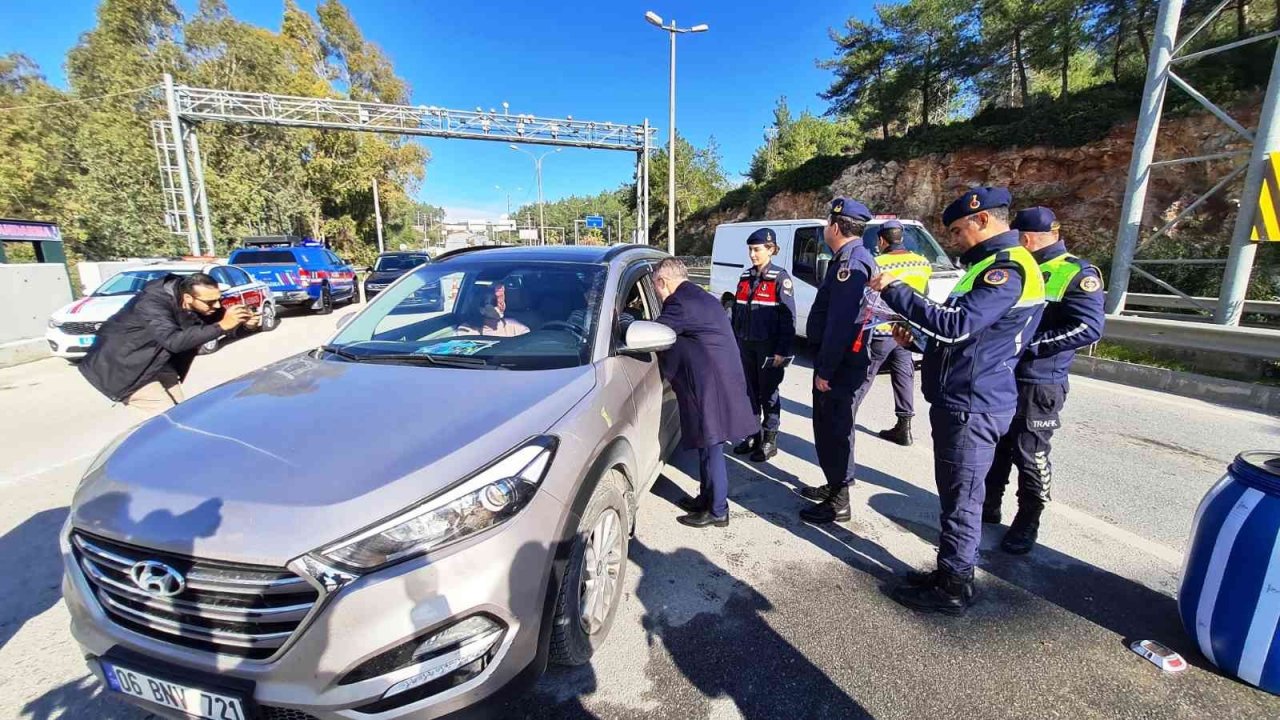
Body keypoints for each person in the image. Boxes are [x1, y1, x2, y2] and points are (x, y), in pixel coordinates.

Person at [868, 187, 1045, 615]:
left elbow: (958, 324)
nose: (955, 239)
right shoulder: (988, 266)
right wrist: (923, 340)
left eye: (958, 230)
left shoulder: (1006, 269)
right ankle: (949, 568)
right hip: (970, 393)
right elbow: (967, 338)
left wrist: (894, 290)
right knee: (955, 495)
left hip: (973, 402)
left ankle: (952, 586)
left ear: (983, 220)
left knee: (962, 500)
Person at [983, 207, 1105, 554]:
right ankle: (989, 506)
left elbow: (1088, 328)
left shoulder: (1076, 273)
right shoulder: (1021, 268)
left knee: (1030, 452)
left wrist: (1029, 346)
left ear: (1025, 238)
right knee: (997, 446)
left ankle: (1027, 521)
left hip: (1040, 380)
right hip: (1005, 374)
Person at [651, 258, 758, 529]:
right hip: (714, 381)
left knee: (711, 447)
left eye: (655, 287)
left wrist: (628, 325)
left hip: (712, 386)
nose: (656, 293)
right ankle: (706, 498)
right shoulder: (696, 294)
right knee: (705, 445)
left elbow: (657, 332)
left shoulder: (680, 303)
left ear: (663, 282)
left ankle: (718, 510)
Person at [798, 197, 878, 525]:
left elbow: (840, 323)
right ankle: (835, 485)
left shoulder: (851, 264)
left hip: (841, 364)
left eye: (825, 226)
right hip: (843, 361)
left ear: (834, 227)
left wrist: (826, 370)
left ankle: (839, 500)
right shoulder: (849, 257)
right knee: (831, 426)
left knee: (834, 428)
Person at [79, 272, 257, 413]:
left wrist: (246, 326)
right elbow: (174, 341)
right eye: (211, 302)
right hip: (125, 369)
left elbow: (223, 325)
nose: (217, 306)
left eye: (218, 299)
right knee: (167, 424)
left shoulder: (200, 303)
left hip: (159, 363)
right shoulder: (151, 304)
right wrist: (224, 324)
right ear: (188, 298)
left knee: (183, 413)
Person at [730, 227, 797, 462]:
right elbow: (737, 313)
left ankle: (770, 439)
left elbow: (788, 319)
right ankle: (752, 435)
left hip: (769, 348)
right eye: (750, 249)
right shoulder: (745, 277)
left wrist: (782, 351)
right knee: (748, 393)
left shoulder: (780, 278)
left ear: (770, 249)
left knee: (768, 393)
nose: (752, 254)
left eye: (757, 249)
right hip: (745, 345)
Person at [866, 220, 933, 446]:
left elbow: (868, 299)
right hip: (908, 332)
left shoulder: (877, 263)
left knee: (864, 376)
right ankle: (904, 429)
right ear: (901, 237)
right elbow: (925, 295)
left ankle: (846, 419)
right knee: (904, 377)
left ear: (881, 240)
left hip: (882, 330)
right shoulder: (922, 262)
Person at [458, 281, 530, 337]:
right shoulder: (466, 331)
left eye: (502, 301)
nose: (501, 305)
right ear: (481, 309)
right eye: (495, 302)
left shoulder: (516, 328)